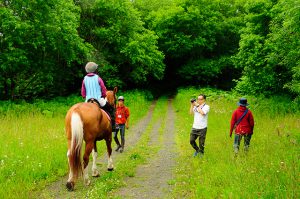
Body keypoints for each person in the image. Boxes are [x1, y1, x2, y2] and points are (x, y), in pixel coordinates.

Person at [81, 62, 115, 131]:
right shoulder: (98, 78)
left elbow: (83, 93)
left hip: (88, 101)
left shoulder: (84, 79)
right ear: (95, 70)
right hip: (99, 100)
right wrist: (103, 95)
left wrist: (85, 96)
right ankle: (114, 126)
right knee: (111, 109)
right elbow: (103, 89)